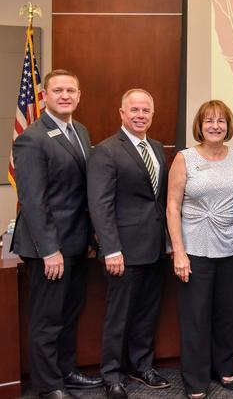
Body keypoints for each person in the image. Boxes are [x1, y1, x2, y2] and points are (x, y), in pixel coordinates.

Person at [11, 69, 103, 399]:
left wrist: (90, 239)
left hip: (76, 244)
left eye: (71, 90)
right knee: (47, 320)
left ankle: (66, 372)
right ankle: (48, 385)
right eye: (58, 90)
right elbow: (33, 201)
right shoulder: (32, 138)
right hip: (48, 249)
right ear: (45, 96)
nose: (65, 95)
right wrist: (50, 250)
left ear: (79, 96)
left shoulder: (79, 129)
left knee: (68, 314)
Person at [88, 88, 170, 399]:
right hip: (121, 251)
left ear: (153, 114)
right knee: (118, 316)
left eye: (145, 110)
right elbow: (100, 205)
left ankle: (141, 365)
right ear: (121, 113)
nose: (140, 115)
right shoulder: (106, 151)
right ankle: (111, 375)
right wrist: (111, 248)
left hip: (153, 248)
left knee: (147, 312)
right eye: (133, 110)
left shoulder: (158, 148)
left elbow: (157, 201)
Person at [166, 100, 233, 398]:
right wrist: (179, 251)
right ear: (199, 126)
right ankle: (196, 380)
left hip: (231, 247)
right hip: (195, 248)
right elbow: (172, 207)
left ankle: (224, 370)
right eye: (209, 120)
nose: (215, 125)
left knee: (227, 314)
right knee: (196, 317)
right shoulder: (184, 158)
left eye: (221, 121)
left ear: (228, 126)